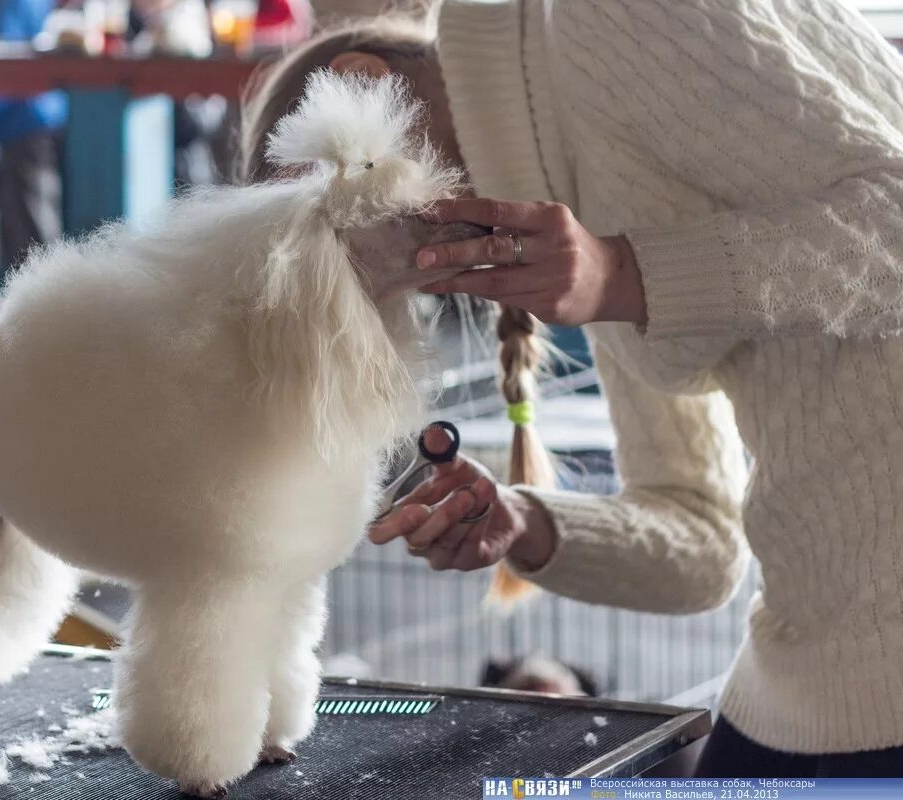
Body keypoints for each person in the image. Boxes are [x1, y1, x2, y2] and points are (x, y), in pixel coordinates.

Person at [239, 1, 903, 777]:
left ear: (361, 87)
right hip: (818, 669)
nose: (396, 285)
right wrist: (518, 521)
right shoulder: (564, 189)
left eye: (350, 250)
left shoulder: (599, 20)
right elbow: (701, 543)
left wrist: (624, 272)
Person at [0, 0, 67, 275]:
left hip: (23, 125)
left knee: (28, 237)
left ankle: (42, 312)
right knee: (37, 227)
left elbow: (4, 69)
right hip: (45, 118)